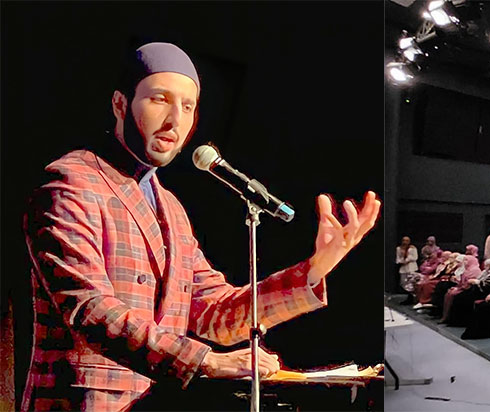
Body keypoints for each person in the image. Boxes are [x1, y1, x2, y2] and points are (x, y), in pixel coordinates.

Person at [20, 42, 380, 412]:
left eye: (188, 106)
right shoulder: (70, 183)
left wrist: (313, 270)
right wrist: (206, 360)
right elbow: (90, 309)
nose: (175, 120)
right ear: (120, 104)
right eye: (160, 99)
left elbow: (214, 313)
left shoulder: (171, 208)